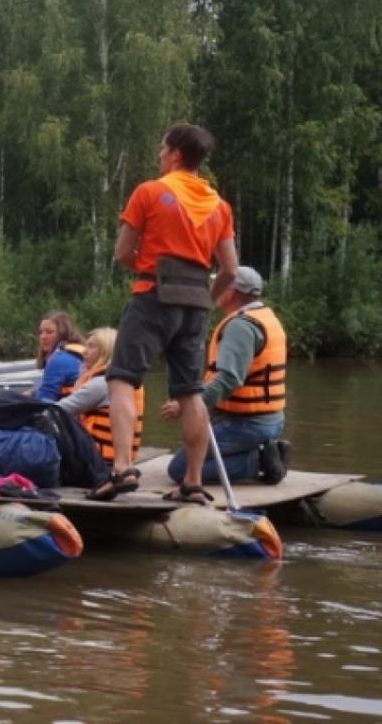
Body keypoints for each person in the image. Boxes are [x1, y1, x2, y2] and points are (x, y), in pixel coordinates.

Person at [94, 122, 238, 503]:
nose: (159, 155)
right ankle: (192, 482)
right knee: (191, 393)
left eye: (162, 149)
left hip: (153, 296)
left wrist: (151, 270)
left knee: (122, 379)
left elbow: (123, 253)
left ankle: (122, 469)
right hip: (195, 306)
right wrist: (206, 295)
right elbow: (231, 270)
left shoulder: (150, 192)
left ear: (175, 154)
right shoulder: (219, 206)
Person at [164, 267, 291, 485]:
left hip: (249, 424)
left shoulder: (240, 326)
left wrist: (186, 406)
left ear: (231, 292)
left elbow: (229, 379)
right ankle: (263, 450)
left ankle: (260, 461)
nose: (213, 288)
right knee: (194, 449)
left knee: (181, 469)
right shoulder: (265, 317)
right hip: (268, 420)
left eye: (219, 284)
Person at [54, 327, 145, 465]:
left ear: (106, 351)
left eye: (91, 347)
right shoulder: (124, 380)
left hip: (100, 459)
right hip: (113, 457)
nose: (84, 351)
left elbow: (59, 409)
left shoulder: (102, 383)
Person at [34, 311, 84, 402]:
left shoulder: (60, 359)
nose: (43, 337)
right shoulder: (79, 353)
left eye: (49, 332)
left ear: (64, 335)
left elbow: (45, 400)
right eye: (41, 332)